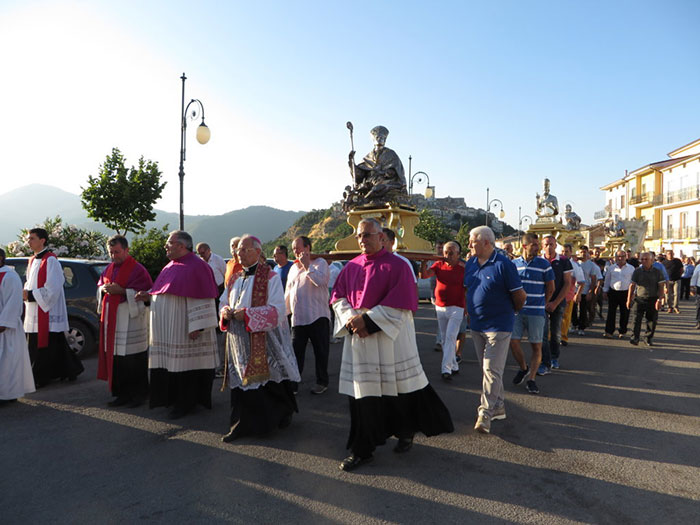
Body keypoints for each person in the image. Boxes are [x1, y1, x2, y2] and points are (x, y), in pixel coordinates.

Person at [331, 218, 453, 471]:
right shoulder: (350, 266)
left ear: (381, 238)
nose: (362, 240)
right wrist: (351, 320)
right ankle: (363, 449)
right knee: (362, 396)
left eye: (367, 235)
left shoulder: (399, 265)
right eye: (359, 236)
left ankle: (406, 430)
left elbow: (403, 304)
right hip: (360, 339)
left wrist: (367, 321)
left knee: (399, 391)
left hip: (389, 338)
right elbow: (338, 297)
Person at [219, 234, 300, 442]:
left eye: (244, 250)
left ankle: (272, 419)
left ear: (257, 251)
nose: (239, 253)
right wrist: (226, 311)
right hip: (238, 339)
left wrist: (247, 315)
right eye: (238, 250)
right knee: (241, 382)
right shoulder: (235, 278)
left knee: (267, 380)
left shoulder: (270, 277)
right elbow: (223, 301)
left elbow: (277, 310)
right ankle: (239, 424)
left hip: (262, 338)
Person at [136, 230, 220, 419]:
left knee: (185, 366)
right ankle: (171, 399)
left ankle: (186, 403)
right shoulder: (170, 266)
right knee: (172, 365)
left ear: (182, 246)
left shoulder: (197, 266)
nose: (166, 245)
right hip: (168, 329)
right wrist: (149, 295)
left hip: (184, 328)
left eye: (169, 242)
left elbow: (203, 297)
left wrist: (197, 326)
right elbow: (165, 291)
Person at [464, 226, 526, 433]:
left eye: (472, 241)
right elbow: (469, 288)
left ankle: (485, 413)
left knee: (491, 370)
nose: (469, 245)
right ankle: (498, 405)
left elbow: (520, 296)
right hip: (477, 325)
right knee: (488, 370)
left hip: (498, 326)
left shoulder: (504, 265)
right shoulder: (471, 263)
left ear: (486, 243)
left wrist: (509, 314)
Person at [96, 235, 153, 408]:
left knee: (133, 360)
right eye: (111, 252)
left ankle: (139, 394)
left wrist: (122, 291)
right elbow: (100, 286)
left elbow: (146, 293)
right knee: (118, 360)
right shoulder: (108, 269)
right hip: (113, 320)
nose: (114, 256)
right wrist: (103, 290)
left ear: (127, 250)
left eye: (117, 252)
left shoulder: (138, 270)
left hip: (131, 319)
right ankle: (121, 394)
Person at [23, 227, 83, 387]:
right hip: (35, 309)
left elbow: (54, 286)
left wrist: (29, 295)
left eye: (32, 238)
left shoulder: (51, 260)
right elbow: (30, 282)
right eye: (28, 239)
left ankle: (40, 377)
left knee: (45, 344)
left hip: (47, 309)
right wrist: (26, 293)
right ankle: (70, 370)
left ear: (42, 240)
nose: (29, 241)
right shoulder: (31, 260)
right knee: (54, 343)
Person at [285, 236, 330, 395]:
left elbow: (321, 281)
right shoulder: (293, 268)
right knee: (296, 353)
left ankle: (322, 382)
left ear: (308, 248)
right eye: (293, 248)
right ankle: (293, 384)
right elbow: (289, 293)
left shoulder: (320, 263)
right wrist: (284, 314)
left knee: (321, 352)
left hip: (317, 316)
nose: (295, 251)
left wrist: (307, 266)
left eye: (298, 247)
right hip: (298, 318)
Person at [510, 233, 554, 393]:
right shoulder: (513, 264)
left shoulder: (544, 264)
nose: (537, 248)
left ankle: (532, 378)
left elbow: (551, 287)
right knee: (513, 342)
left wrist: (543, 303)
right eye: (534, 245)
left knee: (537, 346)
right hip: (517, 312)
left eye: (538, 244)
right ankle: (523, 367)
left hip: (536, 311)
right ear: (524, 246)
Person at [420, 241, 465, 380]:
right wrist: (424, 263)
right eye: (445, 252)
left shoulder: (464, 267)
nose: (447, 255)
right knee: (446, 338)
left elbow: (469, 288)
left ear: (458, 254)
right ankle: (454, 365)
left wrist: (469, 308)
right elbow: (424, 275)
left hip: (457, 307)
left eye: (451, 253)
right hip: (440, 306)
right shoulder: (438, 264)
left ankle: (446, 368)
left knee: (451, 336)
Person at [0, 248, 35, 404]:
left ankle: (7, 395)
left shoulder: (10, 276)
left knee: (7, 363)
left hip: (6, 329)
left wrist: (3, 324)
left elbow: (14, 302)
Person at [343, 125, 407, 210]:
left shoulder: (391, 154)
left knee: (378, 187)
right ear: (373, 139)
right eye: (378, 137)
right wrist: (351, 162)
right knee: (359, 189)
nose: (380, 139)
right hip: (370, 181)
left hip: (386, 181)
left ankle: (365, 200)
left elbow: (396, 171)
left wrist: (387, 172)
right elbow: (360, 173)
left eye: (383, 137)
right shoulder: (368, 156)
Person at [540, 235, 572, 372]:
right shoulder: (538, 261)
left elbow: (567, 283)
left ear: (555, 245)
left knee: (555, 332)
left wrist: (555, 302)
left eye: (552, 244)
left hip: (558, 302)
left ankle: (554, 357)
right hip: (541, 302)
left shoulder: (564, 261)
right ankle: (544, 360)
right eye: (546, 244)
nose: (549, 247)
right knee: (542, 333)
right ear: (542, 246)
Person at [626, 252, 665, 346]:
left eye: (646, 259)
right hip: (639, 299)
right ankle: (635, 338)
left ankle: (648, 338)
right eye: (642, 259)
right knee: (636, 319)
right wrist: (628, 299)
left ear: (652, 260)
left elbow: (661, 287)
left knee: (651, 321)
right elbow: (632, 285)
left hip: (653, 299)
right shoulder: (637, 271)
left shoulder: (657, 272)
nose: (643, 261)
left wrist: (660, 300)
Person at [602, 250, 634, 339]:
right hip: (613, 292)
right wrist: (605, 291)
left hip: (626, 293)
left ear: (626, 257)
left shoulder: (631, 268)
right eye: (618, 256)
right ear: (615, 257)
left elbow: (634, 282)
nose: (620, 258)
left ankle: (622, 331)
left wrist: (633, 294)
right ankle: (609, 331)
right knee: (611, 312)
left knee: (625, 313)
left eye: (623, 256)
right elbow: (607, 280)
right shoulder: (611, 268)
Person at [560, 244, 584, 348]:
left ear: (570, 252)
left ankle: (563, 337)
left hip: (568, 296)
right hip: (555, 295)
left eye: (566, 251)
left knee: (565, 317)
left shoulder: (575, 266)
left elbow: (581, 281)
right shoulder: (555, 262)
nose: (563, 253)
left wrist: (577, 294)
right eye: (562, 251)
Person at [574, 246, 601, 336]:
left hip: (585, 290)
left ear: (588, 253)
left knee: (583, 310)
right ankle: (574, 324)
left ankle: (581, 327)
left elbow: (593, 279)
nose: (583, 254)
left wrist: (590, 291)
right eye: (581, 252)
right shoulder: (576, 263)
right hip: (574, 290)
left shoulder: (591, 265)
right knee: (573, 309)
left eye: (585, 252)